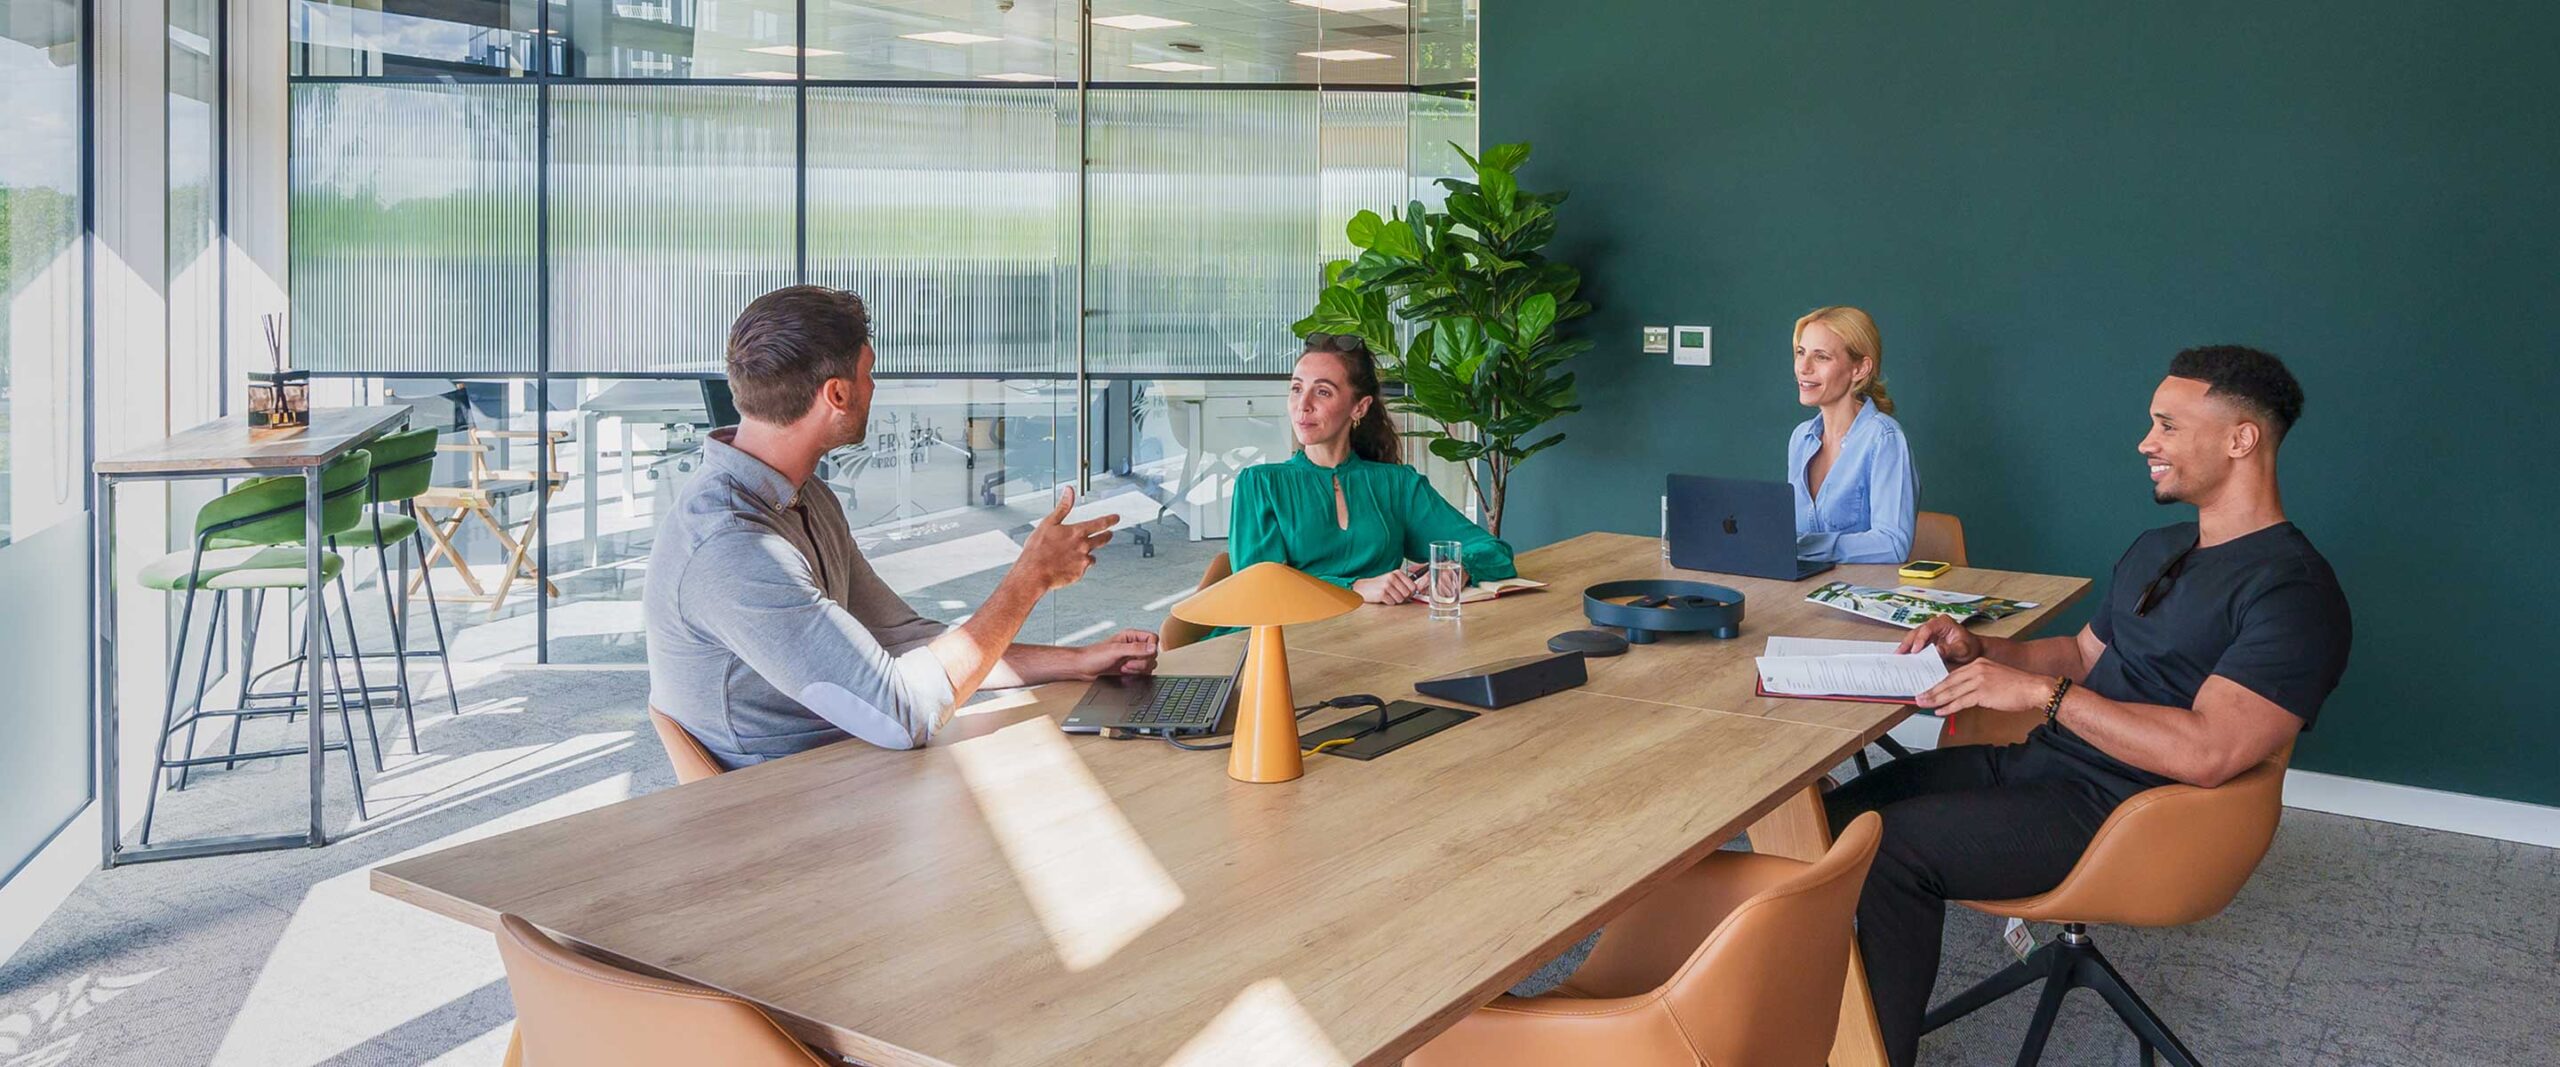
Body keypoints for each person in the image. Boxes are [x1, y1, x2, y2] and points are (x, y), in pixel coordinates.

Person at [1825, 345, 2351, 1067]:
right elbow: (2079, 657)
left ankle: (1870, 1057)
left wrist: (2045, 696)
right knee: (1834, 819)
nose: (2147, 441)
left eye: (2167, 425)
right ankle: (1816, 1023)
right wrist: (1980, 653)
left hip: (2131, 811)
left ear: (2241, 438)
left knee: (1891, 854)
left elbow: (2208, 751)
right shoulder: (2161, 548)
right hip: (2048, 764)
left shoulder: (2292, 592)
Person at [646, 285, 1160, 768]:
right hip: (780, 798)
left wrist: (1077, 661)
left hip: (847, 761)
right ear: (837, 395)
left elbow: (905, 640)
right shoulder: (733, 546)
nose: (875, 387)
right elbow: (901, 715)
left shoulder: (804, 494)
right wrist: (1031, 577)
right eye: (869, 372)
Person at [1227, 333, 1516, 605]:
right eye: (1296, 388)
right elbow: (1258, 591)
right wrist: (1355, 588)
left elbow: (1494, 551)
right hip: (1282, 649)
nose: (1303, 405)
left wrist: (1460, 567)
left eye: (1323, 392)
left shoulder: (1398, 485)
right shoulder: (1260, 485)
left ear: (1359, 407)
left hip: (1377, 644)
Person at [1788, 306, 1918, 562]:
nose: (1803, 367)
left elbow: (1893, 544)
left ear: (1859, 369)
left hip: (1862, 595)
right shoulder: (1800, 438)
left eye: (1821, 357)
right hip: (1802, 592)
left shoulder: (1885, 438)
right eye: (1801, 353)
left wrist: (1806, 546)